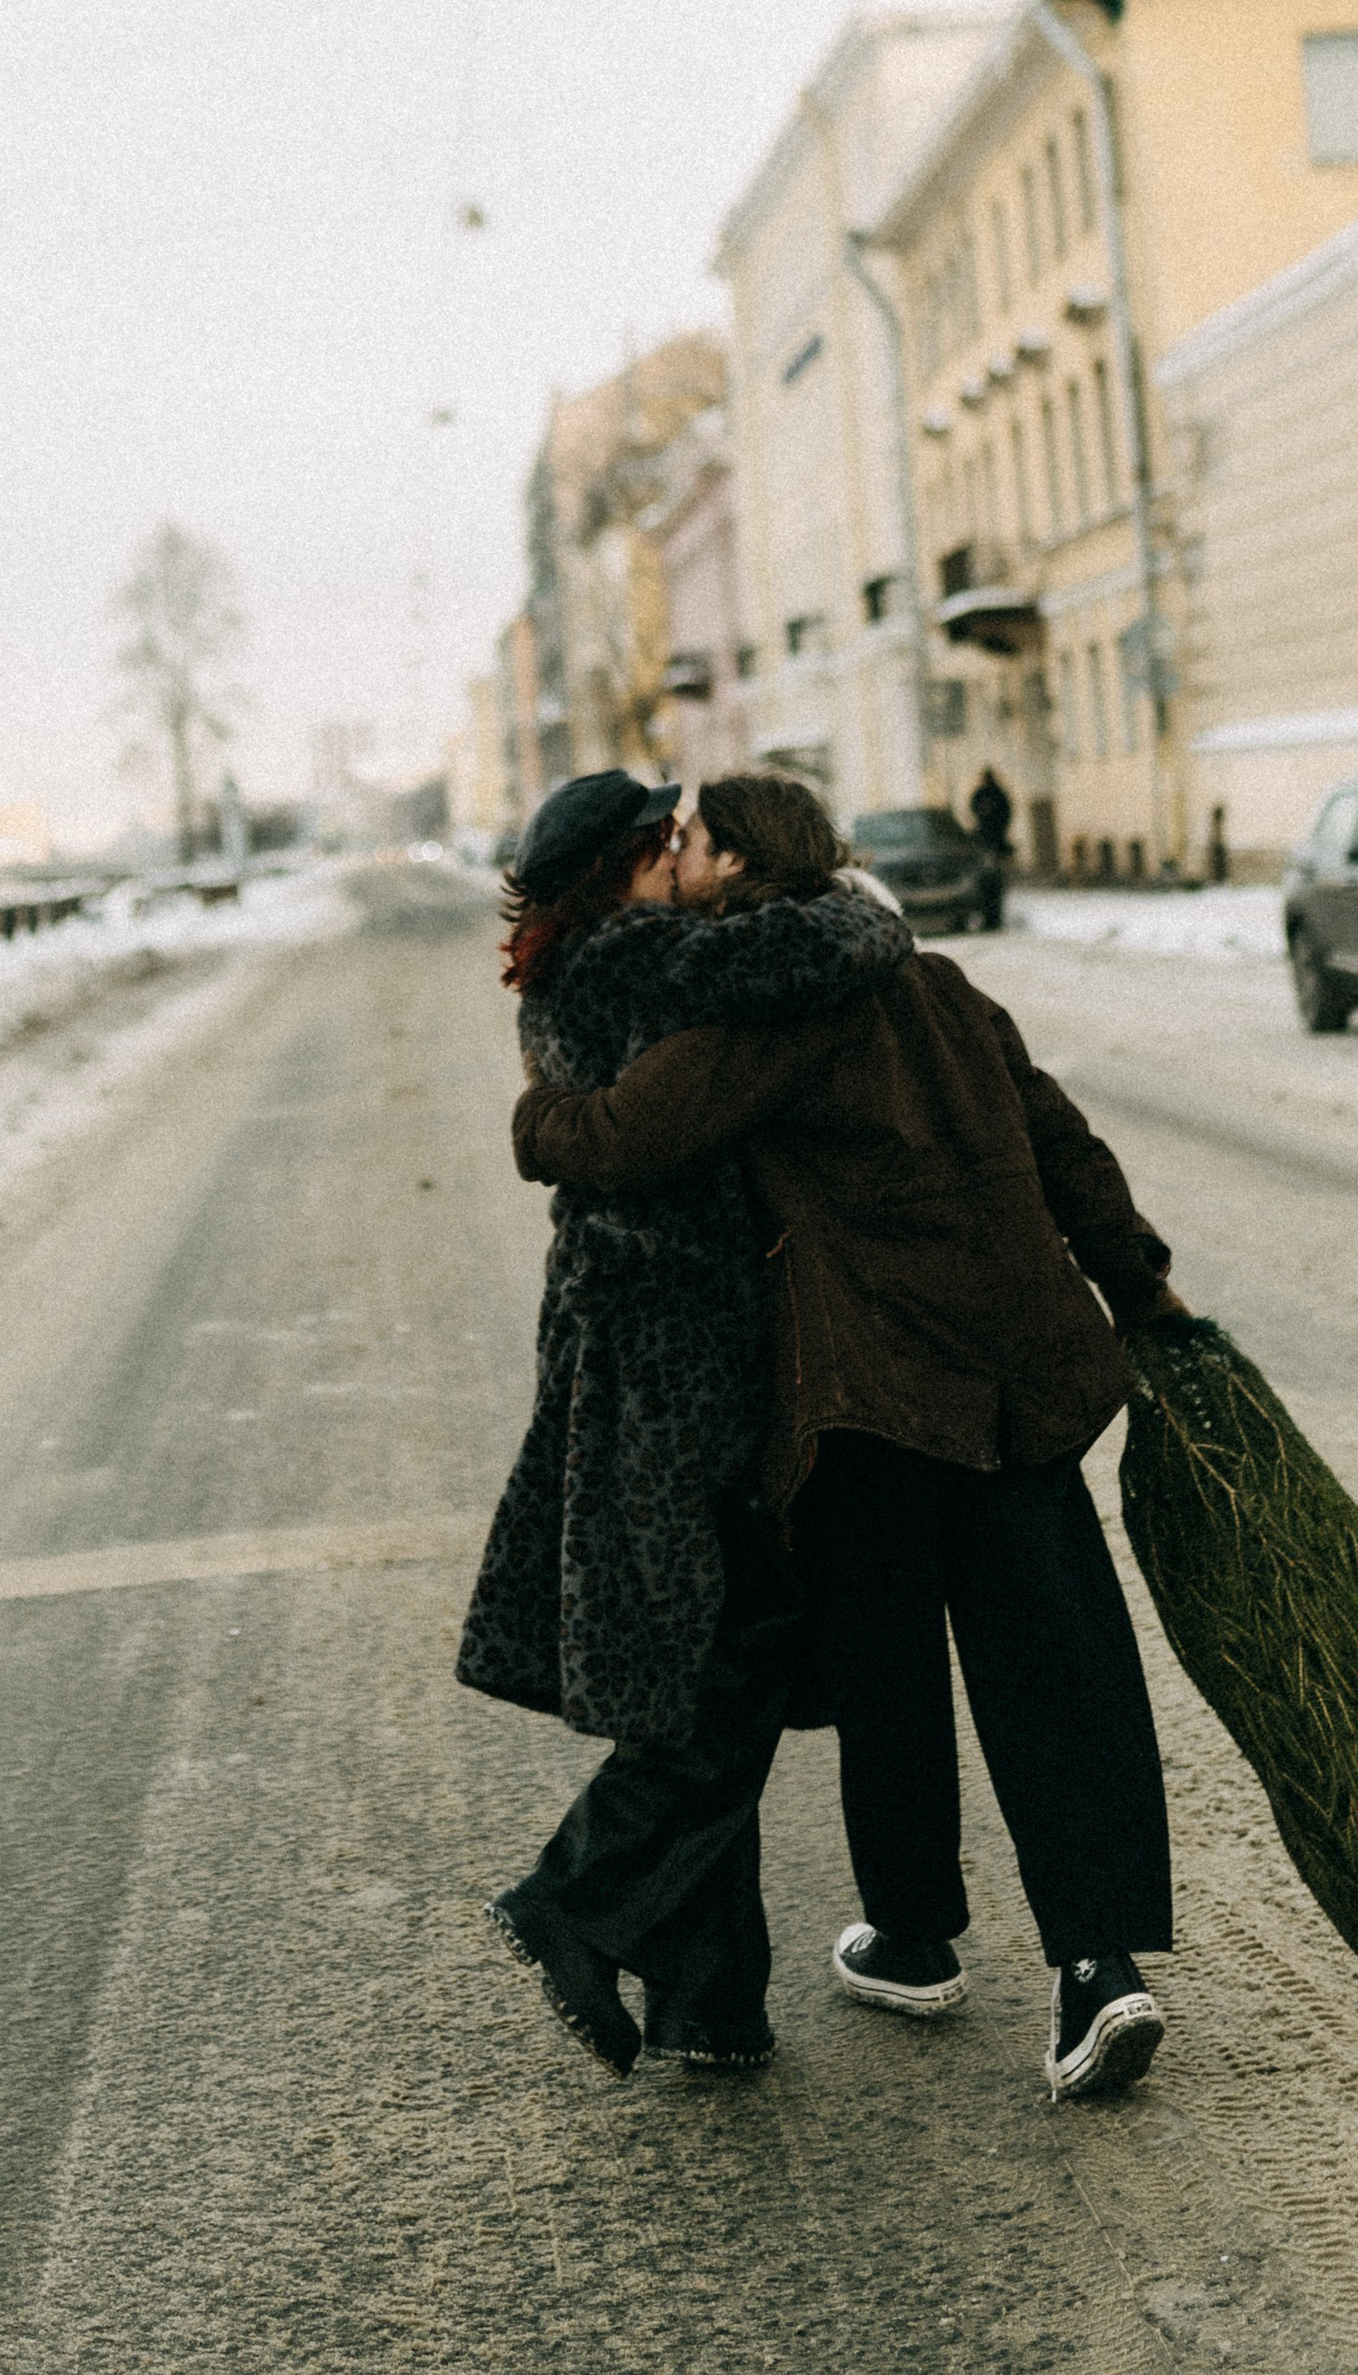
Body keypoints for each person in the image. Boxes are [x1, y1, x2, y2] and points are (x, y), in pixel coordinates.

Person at [516, 780, 1188, 2107]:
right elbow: (1064, 1142)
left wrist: (535, 1124)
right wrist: (1142, 1285)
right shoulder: (938, 983)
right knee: (1062, 1671)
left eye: (700, 843)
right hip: (1023, 1381)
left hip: (876, 1395)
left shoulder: (775, 1008)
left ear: (749, 862)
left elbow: (635, 1130)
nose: (685, 860)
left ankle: (917, 1930)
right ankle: (1097, 1970)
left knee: (887, 1667)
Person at [459, 768, 911, 2078]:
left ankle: (711, 2001)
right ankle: (572, 1897)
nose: (684, 865)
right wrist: (852, 888)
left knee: (692, 1655)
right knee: (736, 1657)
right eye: (671, 845)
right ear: (629, 866)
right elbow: (844, 940)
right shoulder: (634, 960)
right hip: (677, 1352)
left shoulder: (578, 965)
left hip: (628, 1335)